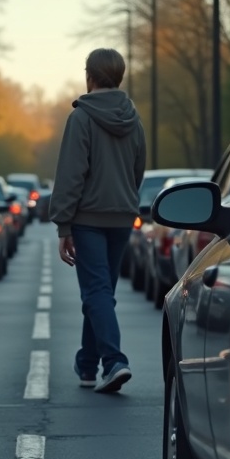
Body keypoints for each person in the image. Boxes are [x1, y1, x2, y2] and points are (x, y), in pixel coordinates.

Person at [50, 47, 146, 393]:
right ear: (118, 76)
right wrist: (124, 200)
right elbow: (139, 169)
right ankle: (87, 363)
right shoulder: (133, 118)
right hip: (122, 218)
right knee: (101, 292)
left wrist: (63, 224)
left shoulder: (81, 118)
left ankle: (114, 361)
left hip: (88, 219)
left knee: (96, 291)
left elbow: (71, 175)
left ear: (89, 76)